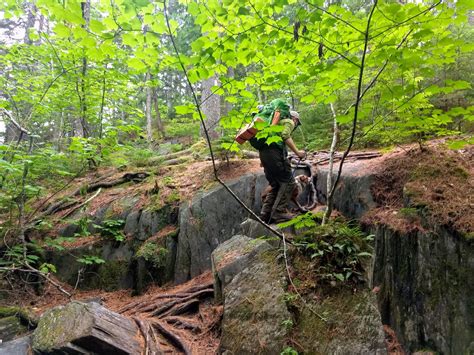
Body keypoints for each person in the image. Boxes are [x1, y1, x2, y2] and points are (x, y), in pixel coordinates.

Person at [249, 105, 305, 223]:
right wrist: (298, 152)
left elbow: (266, 143)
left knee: (276, 185)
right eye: (297, 122)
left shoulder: (273, 125)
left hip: (265, 156)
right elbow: (285, 136)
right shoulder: (289, 122)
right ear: (294, 119)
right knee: (289, 182)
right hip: (275, 156)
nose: (296, 124)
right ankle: (279, 212)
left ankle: (265, 213)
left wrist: (264, 161)